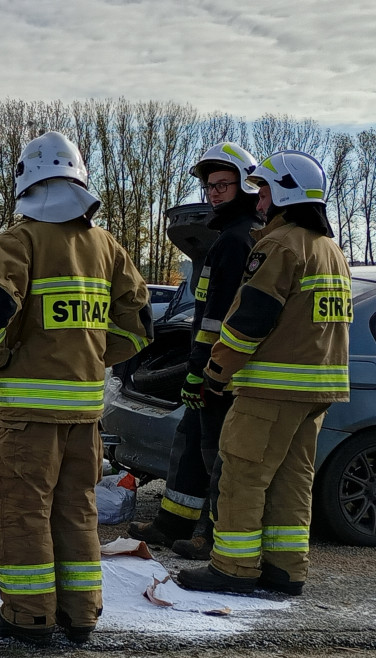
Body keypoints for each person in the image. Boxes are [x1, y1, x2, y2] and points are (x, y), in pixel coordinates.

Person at [0, 132, 153, 645]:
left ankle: (28, 615)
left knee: (25, 513)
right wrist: (94, 356)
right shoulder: (106, 245)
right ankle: (81, 613)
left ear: (27, 181)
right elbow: (139, 324)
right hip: (85, 416)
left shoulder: (21, 240)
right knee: (77, 510)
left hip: (28, 417)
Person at [178, 150, 351, 596]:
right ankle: (285, 569)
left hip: (271, 389)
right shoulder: (330, 250)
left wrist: (215, 371)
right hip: (318, 390)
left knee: (241, 475)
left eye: (264, 192)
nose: (258, 202)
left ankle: (233, 568)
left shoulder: (279, 245)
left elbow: (249, 320)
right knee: (292, 480)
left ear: (286, 194)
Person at [129, 143, 262, 559]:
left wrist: (201, 370)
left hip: (223, 370)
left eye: (223, 184)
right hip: (209, 363)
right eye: (210, 186)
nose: (214, 193)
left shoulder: (238, 240)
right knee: (189, 443)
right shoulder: (225, 237)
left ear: (245, 186)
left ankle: (211, 533)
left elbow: (218, 319)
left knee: (215, 453)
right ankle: (172, 523)